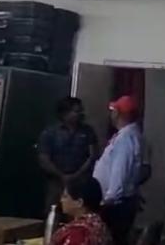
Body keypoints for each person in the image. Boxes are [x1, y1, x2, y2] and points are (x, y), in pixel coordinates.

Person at [93, 95, 144, 245]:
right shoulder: (127, 135)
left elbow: (119, 172)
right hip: (118, 203)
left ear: (119, 114)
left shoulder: (126, 139)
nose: (111, 114)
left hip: (115, 205)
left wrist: (107, 201)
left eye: (113, 110)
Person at [39, 97, 99, 211]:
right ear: (65, 113)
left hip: (81, 182)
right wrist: (61, 175)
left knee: (78, 212)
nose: (80, 114)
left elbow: (92, 156)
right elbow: (44, 158)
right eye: (76, 111)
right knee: (53, 212)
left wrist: (76, 175)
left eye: (80, 110)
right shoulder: (50, 132)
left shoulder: (87, 131)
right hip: (56, 182)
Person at [53, 176, 112, 245]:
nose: (61, 200)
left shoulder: (78, 233)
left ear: (79, 202)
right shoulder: (99, 224)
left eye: (65, 196)